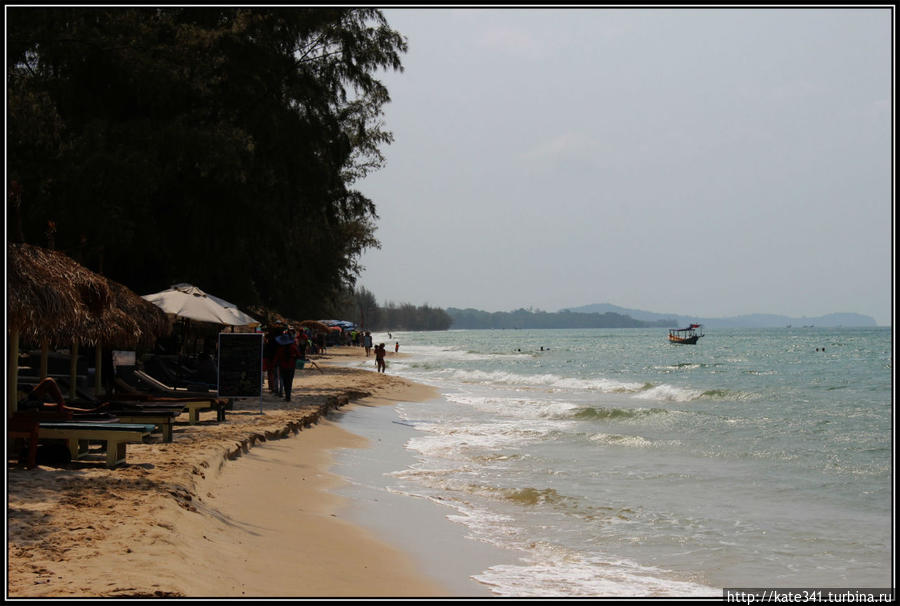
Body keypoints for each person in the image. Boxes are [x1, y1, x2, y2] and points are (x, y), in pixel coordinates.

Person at [273, 331, 301, 401]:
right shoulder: (293, 347)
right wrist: (293, 357)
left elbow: (276, 358)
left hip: (283, 367)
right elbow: (299, 355)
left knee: (285, 381)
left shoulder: (280, 349)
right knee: (290, 381)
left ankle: (287, 396)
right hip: (291, 366)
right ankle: (288, 396)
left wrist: (274, 364)